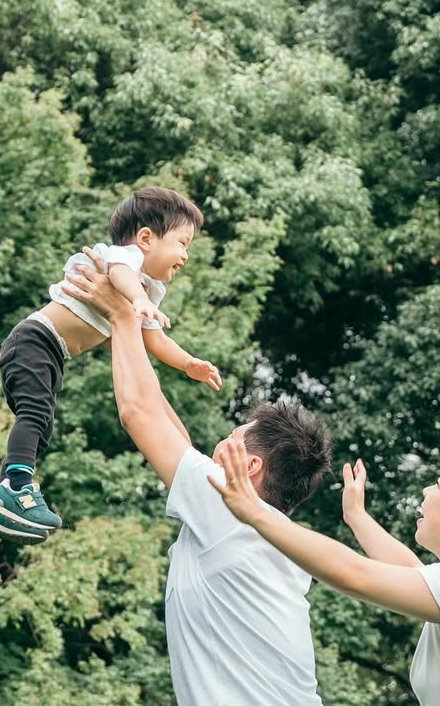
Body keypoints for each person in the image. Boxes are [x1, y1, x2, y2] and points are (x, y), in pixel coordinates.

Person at [59, 250, 333, 705]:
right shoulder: (255, 530)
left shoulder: (231, 516)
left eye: (232, 437)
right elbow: (174, 435)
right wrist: (123, 336)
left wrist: (122, 315)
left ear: (250, 468)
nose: (219, 443)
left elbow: (139, 413)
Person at [210, 441, 440, 705]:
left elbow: (356, 575)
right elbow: (410, 571)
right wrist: (357, 517)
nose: (427, 491)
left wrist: (253, 513)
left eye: (439, 485)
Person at [0, 187, 222, 543]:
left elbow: (154, 339)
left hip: (53, 353)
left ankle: (9, 491)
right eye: (182, 243)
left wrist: (187, 364)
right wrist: (136, 299)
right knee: (34, 414)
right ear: (146, 238)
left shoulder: (149, 292)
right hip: (34, 340)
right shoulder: (121, 258)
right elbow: (120, 275)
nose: (185, 254)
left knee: (40, 422)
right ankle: (15, 488)